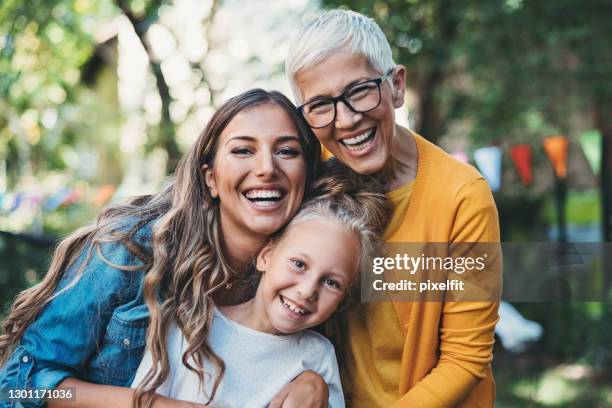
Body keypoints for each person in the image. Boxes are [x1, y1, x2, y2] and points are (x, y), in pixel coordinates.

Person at [0, 89, 325, 408]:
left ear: (307, 174)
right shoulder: (131, 250)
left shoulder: (311, 276)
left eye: (287, 151)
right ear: (210, 178)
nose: (267, 167)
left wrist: (313, 381)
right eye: (242, 150)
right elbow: (18, 387)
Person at [286, 9, 501, 408]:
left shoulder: (462, 196)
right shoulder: (306, 182)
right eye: (320, 104)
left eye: (359, 91)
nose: (347, 120)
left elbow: (465, 359)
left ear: (396, 86)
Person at [132, 165, 393, 408]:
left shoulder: (318, 357)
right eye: (299, 264)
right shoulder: (190, 322)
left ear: (342, 298)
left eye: (331, 282)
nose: (307, 290)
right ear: (266, 255)